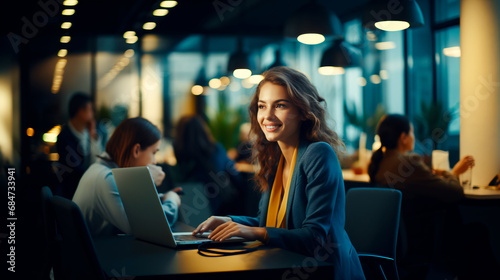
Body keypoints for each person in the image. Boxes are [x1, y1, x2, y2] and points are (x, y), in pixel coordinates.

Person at [192, 67, 365, 280]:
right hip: (287, 263)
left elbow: (315, 237)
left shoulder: (318, 154)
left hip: (322, 270)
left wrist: (251, 231)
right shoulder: (276, 158)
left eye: (280, 105)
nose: (267, 116)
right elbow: (268, 223)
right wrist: (229, 220)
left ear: (303, 112)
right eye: (262, 106)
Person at [73, 117, 181, 237]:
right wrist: (172, 201)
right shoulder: (107, 179)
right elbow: (146, 227)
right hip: (96, 253)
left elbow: (129, 204)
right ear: (136, 150)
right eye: (154, 153)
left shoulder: (101, 168)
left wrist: (161, 198)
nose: (155, 161)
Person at [367, 114, 474, 203]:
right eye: (412, 132)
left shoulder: (378, 162)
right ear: (403, 138)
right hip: (420, 225)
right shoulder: (409, 162)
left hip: (396, 226)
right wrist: (453, 173)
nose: (414, 136)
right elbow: (454, 193)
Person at [55, 93, 106, 199]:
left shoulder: (90, 132)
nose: (93, 114)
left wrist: (93, 137)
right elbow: (75, 171)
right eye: (90, 109)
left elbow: (98, 160)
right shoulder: (64, 137)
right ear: (80, 111)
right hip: (72, 193)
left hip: (91, 189)